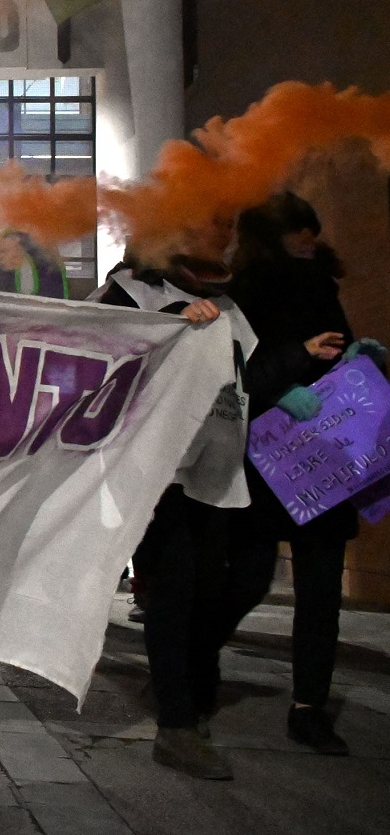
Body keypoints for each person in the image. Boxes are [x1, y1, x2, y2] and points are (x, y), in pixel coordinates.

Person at [90, 243, 252, 780]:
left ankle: (179, 688)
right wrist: (168, 322)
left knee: (223, 587)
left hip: (217, 474)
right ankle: (178, 726)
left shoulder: (231, 308)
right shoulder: (130, 293)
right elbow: (95, 352)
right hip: (159, 477)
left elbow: (252, 375)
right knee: (174, 594)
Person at [218, 192, 372, 756]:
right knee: (250, 576)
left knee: (321, 589)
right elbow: (236, 372)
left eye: (312, 229)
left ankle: (310, 706)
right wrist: (285, 384)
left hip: (324, 452)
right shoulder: (247, 290)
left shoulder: (319, 283)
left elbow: (335, 350)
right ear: (271, 235)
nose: (309, 239)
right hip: (269, 453)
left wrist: (360, 357)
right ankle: (188, 661)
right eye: (297, 232)